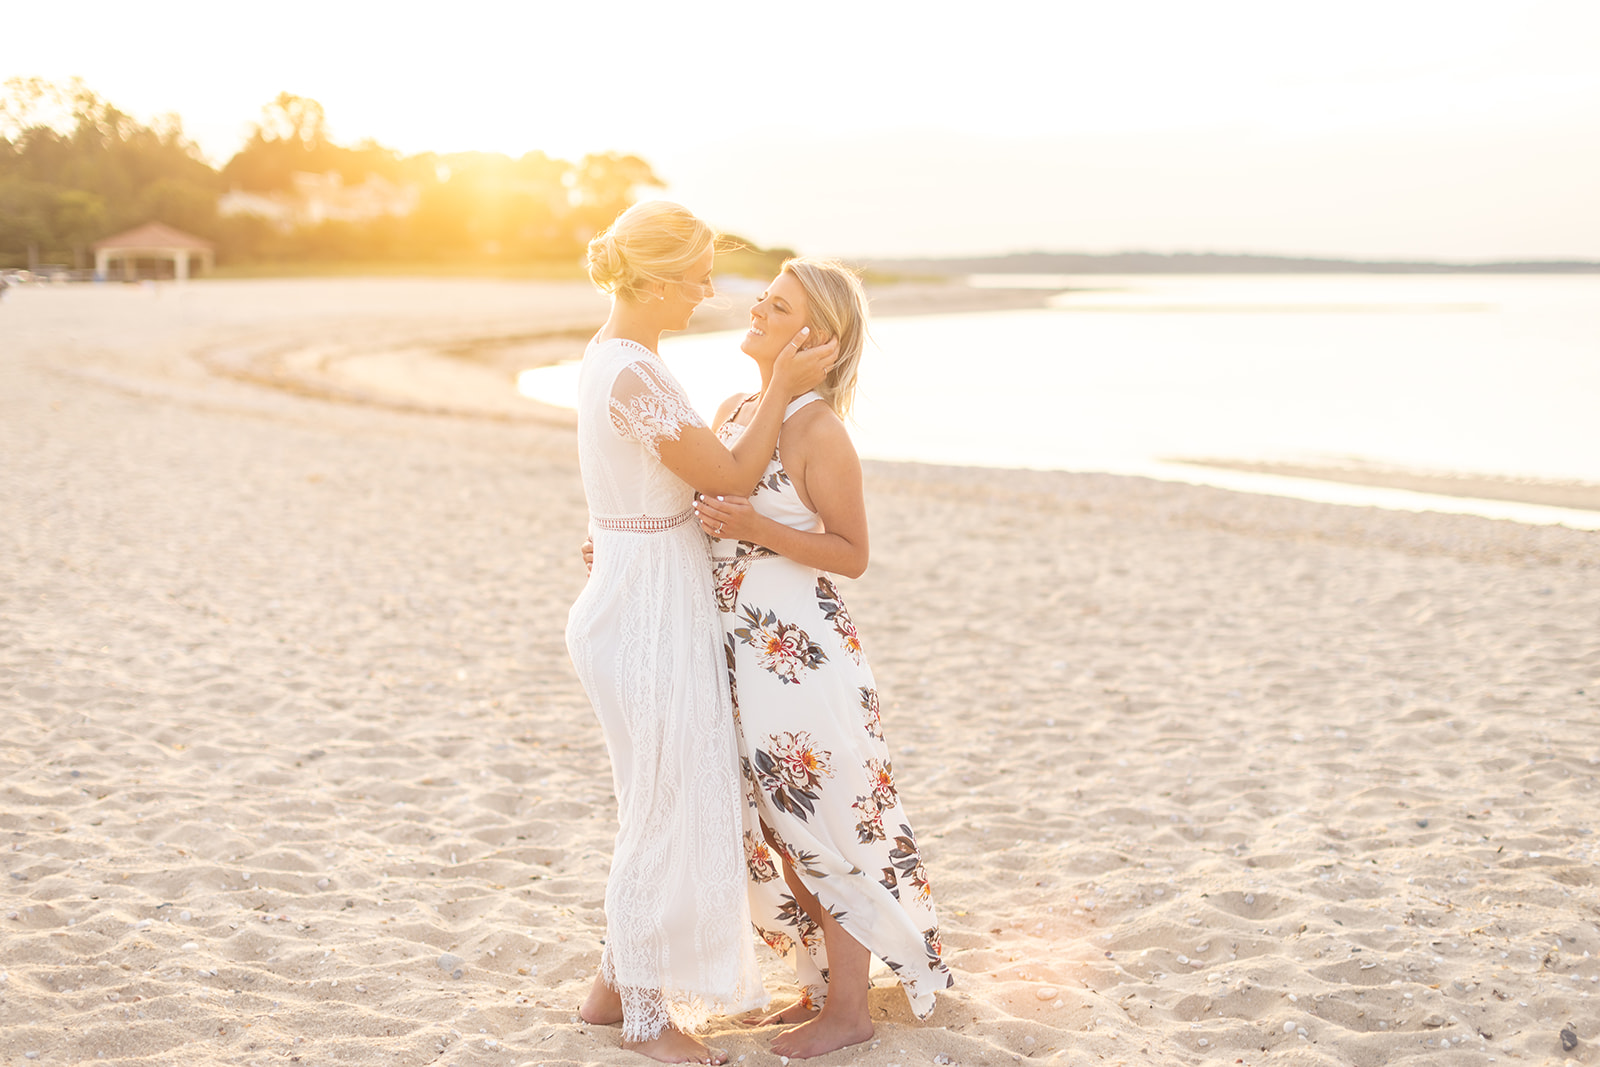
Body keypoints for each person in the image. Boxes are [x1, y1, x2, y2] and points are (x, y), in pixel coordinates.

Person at [565, 201, 838, 1065]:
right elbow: (727, 473)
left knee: (668, 789)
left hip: (648, 587)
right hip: (643, 607)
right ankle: (646, 1020)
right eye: (695, 277)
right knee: (658, 804)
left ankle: (613, 987)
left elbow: (652, 488)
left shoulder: (627, 360)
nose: (707, 291)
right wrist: (784, 392)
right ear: (652, 279)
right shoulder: (631, 374)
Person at [694, 258, 952, 1058]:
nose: (758, 311)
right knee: (775, 824)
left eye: (777, 306)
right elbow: (699, 508)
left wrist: (757, 528)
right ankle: (814, 988)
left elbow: (852, 553)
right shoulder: (737, 406)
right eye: (764, 299)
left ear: (818, 339)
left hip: (798, 656)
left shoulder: (819, 431)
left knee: (824, 823)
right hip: (736, 647)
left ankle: (850, 1009)